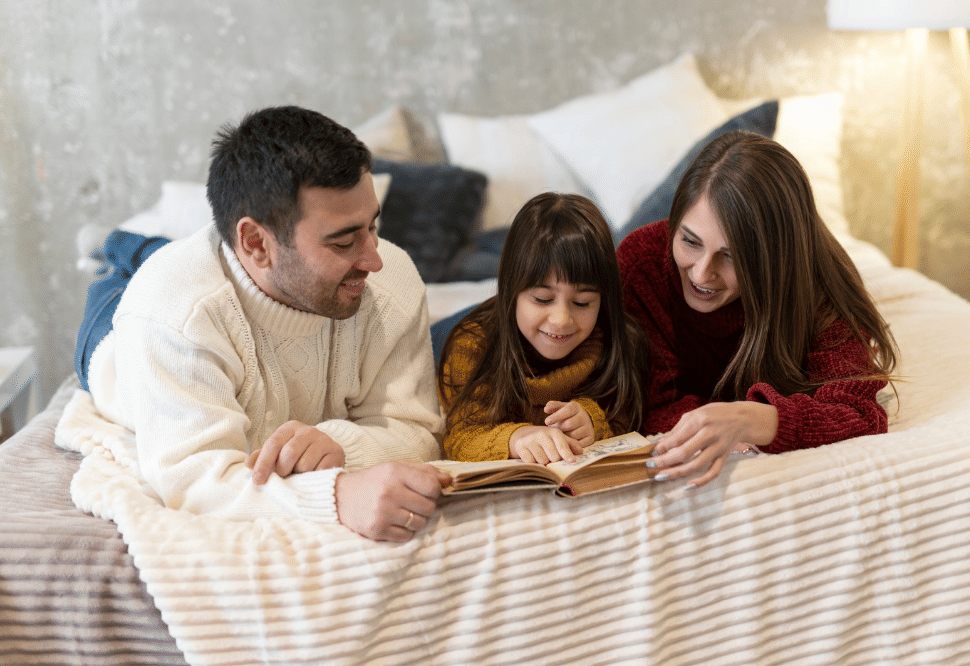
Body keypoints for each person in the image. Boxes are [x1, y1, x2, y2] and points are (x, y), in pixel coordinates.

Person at [66, 105, 448, 542]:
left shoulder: (392, 279)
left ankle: (138, 245)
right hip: (111, 335)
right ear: (255, 242)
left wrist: (344, 446)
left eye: (373, 227)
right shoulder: (169, 313)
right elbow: (196, 483)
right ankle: (113, 244)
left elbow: (418, 430)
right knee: (134, 274)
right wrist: (338, 495)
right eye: (344, 241)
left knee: (183, 258)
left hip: (229, 273)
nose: (374, 259)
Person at [617, 130, 899, 489]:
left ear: (774, 259)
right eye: (690, 241)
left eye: (731, 256)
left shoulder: (817, 284)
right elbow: (646, 404)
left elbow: (858, 413)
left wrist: (751, 419)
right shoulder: (641, 264)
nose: (702, 273)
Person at [437, 192, 648, 464]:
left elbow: (626, 419)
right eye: (542, 299)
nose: (561, 319)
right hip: (458, 330)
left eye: (582, 302)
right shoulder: (473, 345)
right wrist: (517, 437)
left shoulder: (620, 342)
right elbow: (460, 436)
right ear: (512, 290)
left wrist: (592, 422)